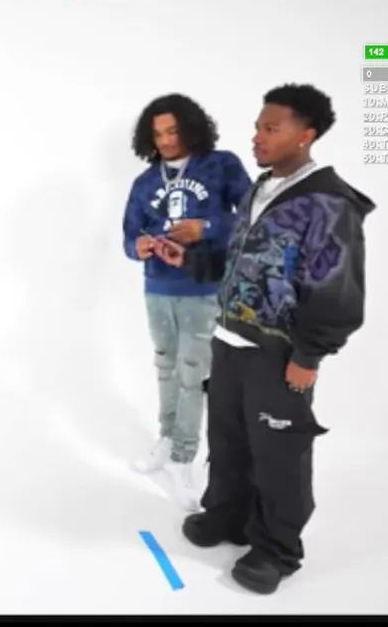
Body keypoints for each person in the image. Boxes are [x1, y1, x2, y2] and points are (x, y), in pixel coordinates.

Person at [153, 83, 375, 595]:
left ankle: (276, 548)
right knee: (228, 438)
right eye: (257, 126)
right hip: (229, 340)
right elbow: (245, 259)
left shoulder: (329, 202)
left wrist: (309, 355)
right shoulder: (261, 188)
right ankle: (229, 514)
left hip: (279, 353)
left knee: (278, 452)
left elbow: (337, 289)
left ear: (306, 135)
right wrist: (191, 259)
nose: (257, 136)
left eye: (271, 128)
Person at [121, 94, 251, 509]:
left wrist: (206, 227)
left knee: (192, 373)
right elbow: (128, 239)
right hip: (157, 288)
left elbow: (254, 215)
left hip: (204, 287)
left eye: (172, 131)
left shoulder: (221, 165)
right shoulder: (144, 182)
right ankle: (166, 438)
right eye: (157, 134)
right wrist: (140, 246)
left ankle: (184, 457)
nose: (165, 140)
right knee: (165, 366)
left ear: (191, 128)